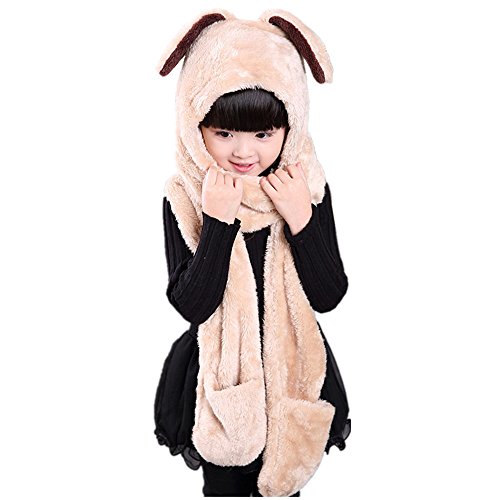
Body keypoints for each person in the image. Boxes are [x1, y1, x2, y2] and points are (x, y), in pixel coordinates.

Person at [153, 9, 351, 497]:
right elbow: (192, 305)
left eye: (264, 134)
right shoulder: (186, 196)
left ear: (291, 125)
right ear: (194, 123)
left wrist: (301, 219)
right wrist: (219, 224)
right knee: (225, 485)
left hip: (294, 370)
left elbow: (329, 296)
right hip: (216, 378)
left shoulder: (307, 187)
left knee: (286, 483)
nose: (244, 152)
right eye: (224, 133)